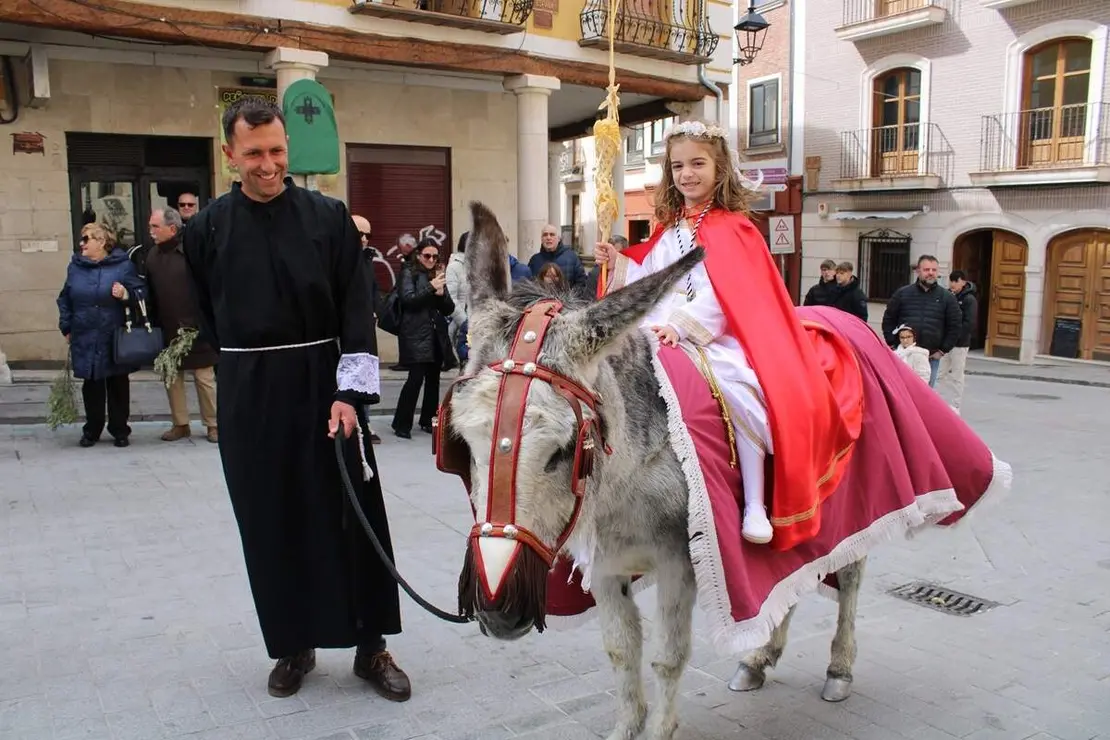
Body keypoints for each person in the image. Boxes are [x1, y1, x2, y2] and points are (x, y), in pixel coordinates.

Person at [183, 97, 410, 702]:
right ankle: (293, 643)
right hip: (250, 393)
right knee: (269, 520)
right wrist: (247, 374)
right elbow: (208, 315)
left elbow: (355, 311)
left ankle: (372, 647)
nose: (267, 164)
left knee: (352, 516)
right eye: (254, 153)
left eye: (277, 151)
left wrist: (346, 394)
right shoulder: (204, 229)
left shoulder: (329, 218)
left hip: (324, 386)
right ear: (230, 155)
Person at [593, 120, 860, 549]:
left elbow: (728, 294)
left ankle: (755, 501)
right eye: (678, 165)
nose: (687, 174)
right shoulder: (670, 228)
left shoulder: (734, 228)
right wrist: (621, 264)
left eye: (698, 163)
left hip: (711, 335)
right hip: (654, 324)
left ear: (719, 169)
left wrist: (682, 327)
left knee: (743, 391)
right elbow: (652, 276)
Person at [57, 223, 146, 448]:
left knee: (117, 382)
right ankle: (92, 429)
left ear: (102, 242)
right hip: (85, 333)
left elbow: (142, 292)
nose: (82, 244)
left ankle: (119, 429)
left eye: (86, 239)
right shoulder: (75, 267)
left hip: (112, 333)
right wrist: (66, 326)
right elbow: (65, 299)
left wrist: (126, 293)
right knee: (92, 383)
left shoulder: (123, 266)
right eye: (81, 239)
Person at [146, 207, 219, 443]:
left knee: (204, 379)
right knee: (172, 377)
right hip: (169, 327)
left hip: (197, 327)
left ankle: (214, 424)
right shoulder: (152, 256)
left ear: (172, 228)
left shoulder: (191, 250)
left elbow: (210, 286)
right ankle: (180, 424)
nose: (151, 232)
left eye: (155, 227)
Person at [391, 237, 456, 438]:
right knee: (415, 379)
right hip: (415, 334)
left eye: (435, 256)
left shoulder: (437, 274)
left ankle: (428, 420)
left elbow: (449, 308)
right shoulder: (408, 272)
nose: (431, 259)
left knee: (434, 380)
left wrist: (440, 293)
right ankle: (402, 423)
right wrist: (430, 287)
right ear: (418, 255)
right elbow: (408, 300)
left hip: (435, 334)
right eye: (427, 256)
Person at [881, 254, 962, 388]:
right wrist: (892, 343)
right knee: (902, 392)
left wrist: (942, 350)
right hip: (904, 355)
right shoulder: (902, 294)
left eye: (934, 270)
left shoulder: (947, 298)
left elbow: (955, 325)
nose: (930, 273)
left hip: (930, 357)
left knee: (926, 396)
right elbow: (889, 319)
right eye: (926, 270)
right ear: (918, 271)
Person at [940, 270, 977, 414]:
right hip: (945, 343)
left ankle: (956, 405)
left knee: (956, 374)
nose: (952, 284)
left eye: (955, 281)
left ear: (962, 281)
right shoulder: (949, 296)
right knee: (939, 374)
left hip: (960, 344)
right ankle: (939, 402)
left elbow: (969, 323)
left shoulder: (969, 300)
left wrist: (956, 336)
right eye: (951, 281)